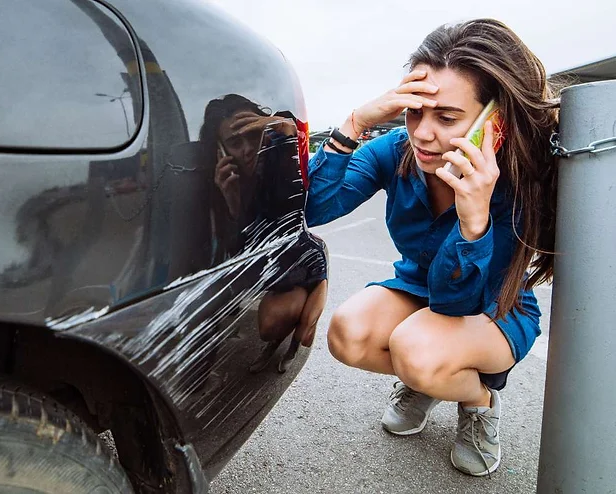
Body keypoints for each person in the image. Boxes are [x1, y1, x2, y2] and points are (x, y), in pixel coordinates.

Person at [305, 19, 558, 476]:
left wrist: (473, 219)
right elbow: (316, 206)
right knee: (347, 333)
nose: (422, 134)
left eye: (446, 117)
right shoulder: (397, 149)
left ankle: (477, 401)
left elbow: (457, 300)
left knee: (417, 351)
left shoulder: (517, 180)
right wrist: (355, 124)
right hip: (418, 289)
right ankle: (429, 378)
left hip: (492, 308)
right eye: (414, 111)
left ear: (492, 121)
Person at [200, 94, 329, 373]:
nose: (248, 149)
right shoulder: (218, 181)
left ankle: (290, 351)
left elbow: (289, 210)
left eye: (254, 134)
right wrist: (232, 203)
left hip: (304, 261)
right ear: (219, 149)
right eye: (235, 142)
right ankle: (270, 350)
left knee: (303, 333)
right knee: (269, 326)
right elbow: (236, 251)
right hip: (276, 266)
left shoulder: (276, 166)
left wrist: (280, 127)